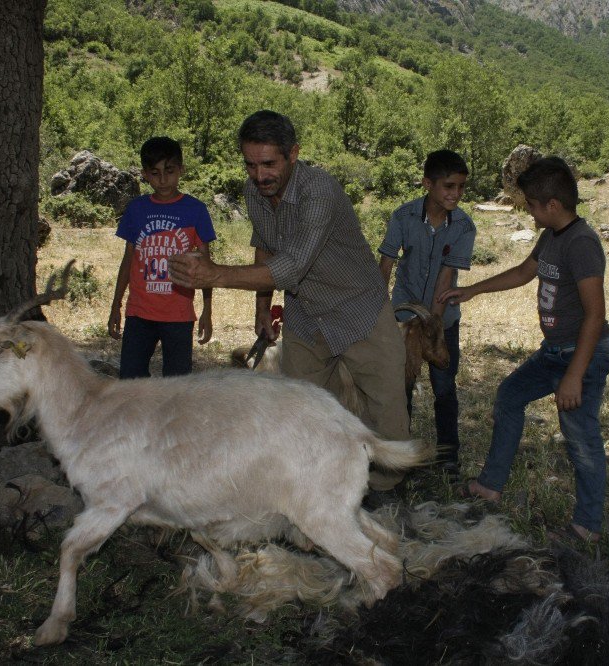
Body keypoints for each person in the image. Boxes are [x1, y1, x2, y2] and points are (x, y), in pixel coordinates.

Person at [168, 110, 409, 490]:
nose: (259, 175)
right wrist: (262, 308)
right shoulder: (254, 192)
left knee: (387, 407)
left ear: (293, 154)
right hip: (305, 313)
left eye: (269, 164)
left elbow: (293, 265)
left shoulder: (320, 191)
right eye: (250, 164)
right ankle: (322, 488)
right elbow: (265, 245)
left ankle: (385, 491)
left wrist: (215, 275)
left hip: (359, 309)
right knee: (306, 409)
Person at [438, 157, 609, 543]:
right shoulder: (551, 236)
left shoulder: (582, 243)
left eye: (532, 205)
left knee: (580, 434)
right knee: (509, 396)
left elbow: (595, 316)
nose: (528, 212)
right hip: (553, 351)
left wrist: (573, 376)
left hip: (581, 354)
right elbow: (523, 272)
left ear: (552, 205)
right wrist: (474, 289)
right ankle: (490, 485)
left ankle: (586, 527)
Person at [379, 149, 476, 481]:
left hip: (441, 319)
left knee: (444, 386)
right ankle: (401, 457)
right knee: (400, 386)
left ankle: (448, 457)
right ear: (427, 184)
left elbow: (446, 278)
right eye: (449, 186)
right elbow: (387, 265)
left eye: (461, 187)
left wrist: (432, 324)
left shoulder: (463, 225)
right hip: (403, 320)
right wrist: (379, 313)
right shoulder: (403, 216)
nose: (456, 194)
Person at [109, 136, 215, 379]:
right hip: (139, 313)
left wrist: (208, 310)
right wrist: (116, 304)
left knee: (177, 387)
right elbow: (128, 260)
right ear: (145, 174)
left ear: (181, 170)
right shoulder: (136, 209)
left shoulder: (195, 210)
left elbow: (206, 266)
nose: (163, 179)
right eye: (155, 172)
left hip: (178, 314)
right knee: (131, 382)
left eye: (169, 171)